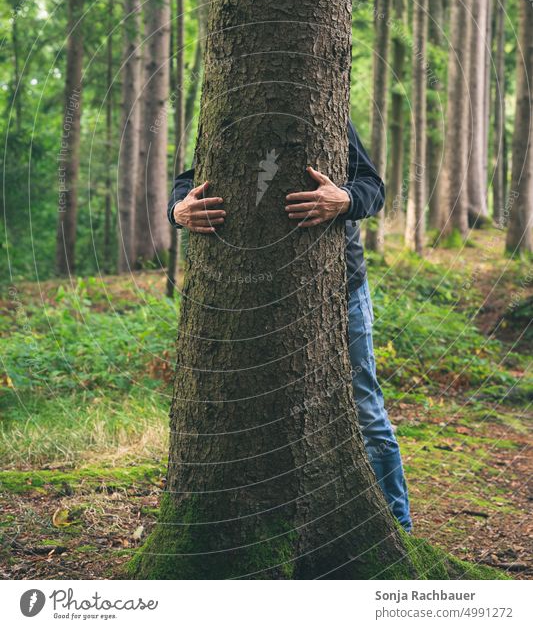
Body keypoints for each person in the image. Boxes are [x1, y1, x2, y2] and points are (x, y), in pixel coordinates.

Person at [167, 119, 412, 532]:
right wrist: (177, 211)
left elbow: (374, 187)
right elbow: (188, 183)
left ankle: (397, 530)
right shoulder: (230, 117)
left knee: (365, 410)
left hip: (340, 289)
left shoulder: (328, 116)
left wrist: (345, 199)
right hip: (248, 301)